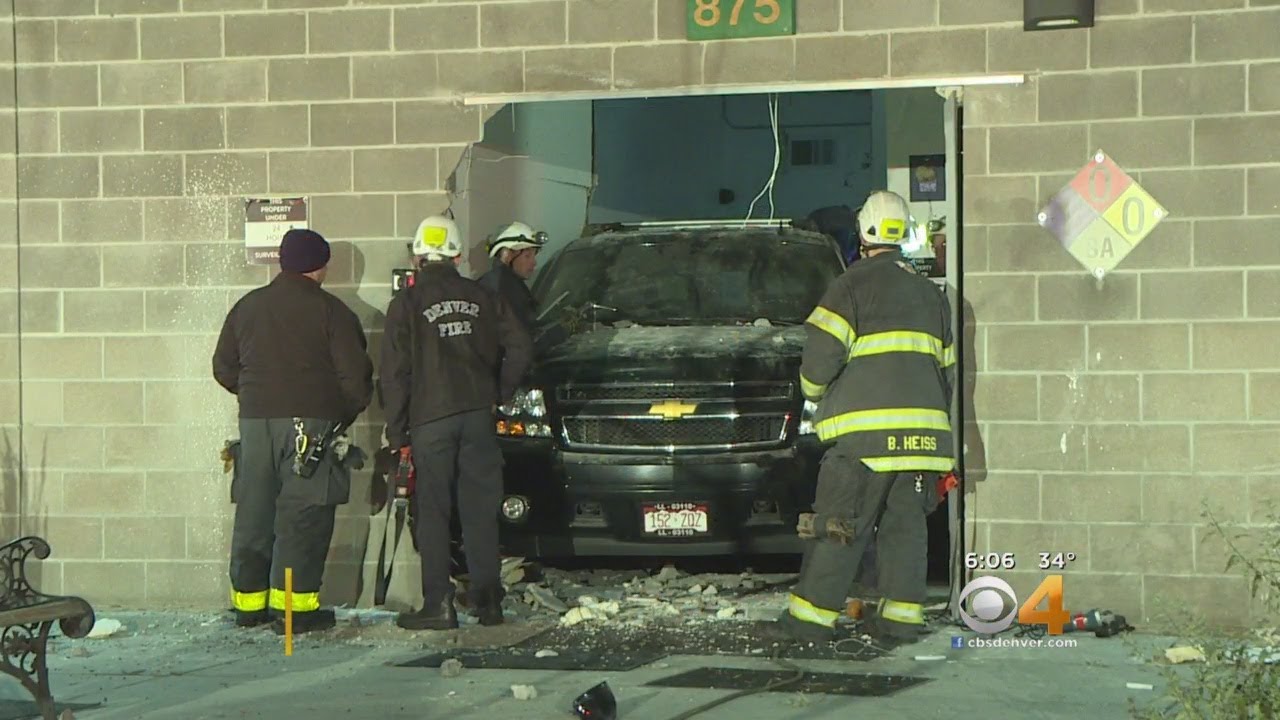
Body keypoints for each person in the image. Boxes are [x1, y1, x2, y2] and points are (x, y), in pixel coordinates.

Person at [779, 190, 956, 644]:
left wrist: (814, 394)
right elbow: (948, 373)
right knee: (906, 533)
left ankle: (808, 625)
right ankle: (900, 621)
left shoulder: (849, 287)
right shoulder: (931, 295)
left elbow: (819, 363)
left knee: (839, 526)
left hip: (862, 443)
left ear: (862, 233)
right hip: (922, 444)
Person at [213, 228, 374, 635]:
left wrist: (255, 396)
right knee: (303, 517)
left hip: (255, 425)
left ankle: (248, 607)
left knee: (254, 512)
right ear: (320, 266)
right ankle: (294, 613)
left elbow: (223, 367)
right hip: (311, 426)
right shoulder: (333, 313)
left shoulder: (247, 307)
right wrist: (337, 417)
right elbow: (356, 381)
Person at [380, 215, 534, 631]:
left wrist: (397, 435)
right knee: (480, 510)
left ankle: (439, 604)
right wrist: (499, 394)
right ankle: (489, 603)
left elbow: (394, 376)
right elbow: (519, 348)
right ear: (459, 255)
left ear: (416, 257)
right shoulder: (483, 296)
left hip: (430, 421)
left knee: (433, 512)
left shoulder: (406, 305)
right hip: (477, 417)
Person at [478, 221, 546, 335]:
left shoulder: (509, 284)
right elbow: (519, 340)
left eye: (534, 255)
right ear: (506, 255)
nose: (534, 262)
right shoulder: (501, 289)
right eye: (527, 256)